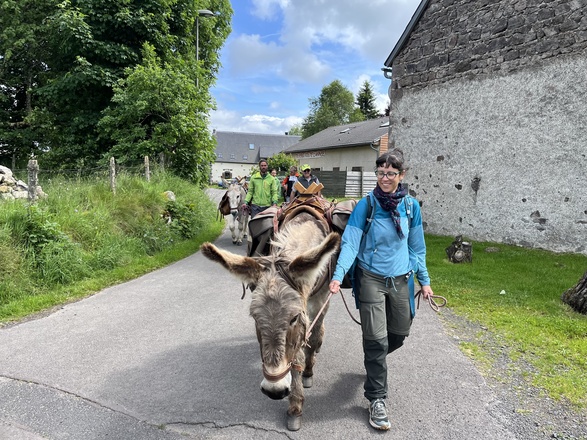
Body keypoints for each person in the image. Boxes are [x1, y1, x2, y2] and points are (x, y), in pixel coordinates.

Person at [328, 149, 434, 431]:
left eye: (390, 173)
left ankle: (373, 360)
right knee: (376, 340)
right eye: (380, 173)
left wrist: (425, 281)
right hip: (371, 279)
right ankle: (377, 399)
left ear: (401, 175)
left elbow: (417, 248)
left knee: (398, 335)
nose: (384, 178)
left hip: (401, 280)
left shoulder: (411, 207)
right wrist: (338, 276)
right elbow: (350, 243)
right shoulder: (367, 206)